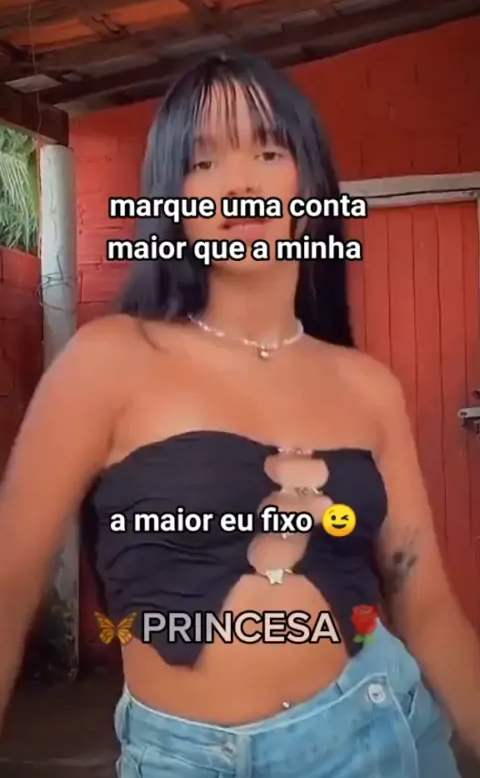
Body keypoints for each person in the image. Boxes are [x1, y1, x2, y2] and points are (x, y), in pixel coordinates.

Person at [0, 52, 479, 778]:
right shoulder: (108, 360)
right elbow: (8, 585)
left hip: (380, 731)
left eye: (268, 151)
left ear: (309, 183)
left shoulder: (368, 386)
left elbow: (427, 604)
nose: (240, 184)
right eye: (203, 162)